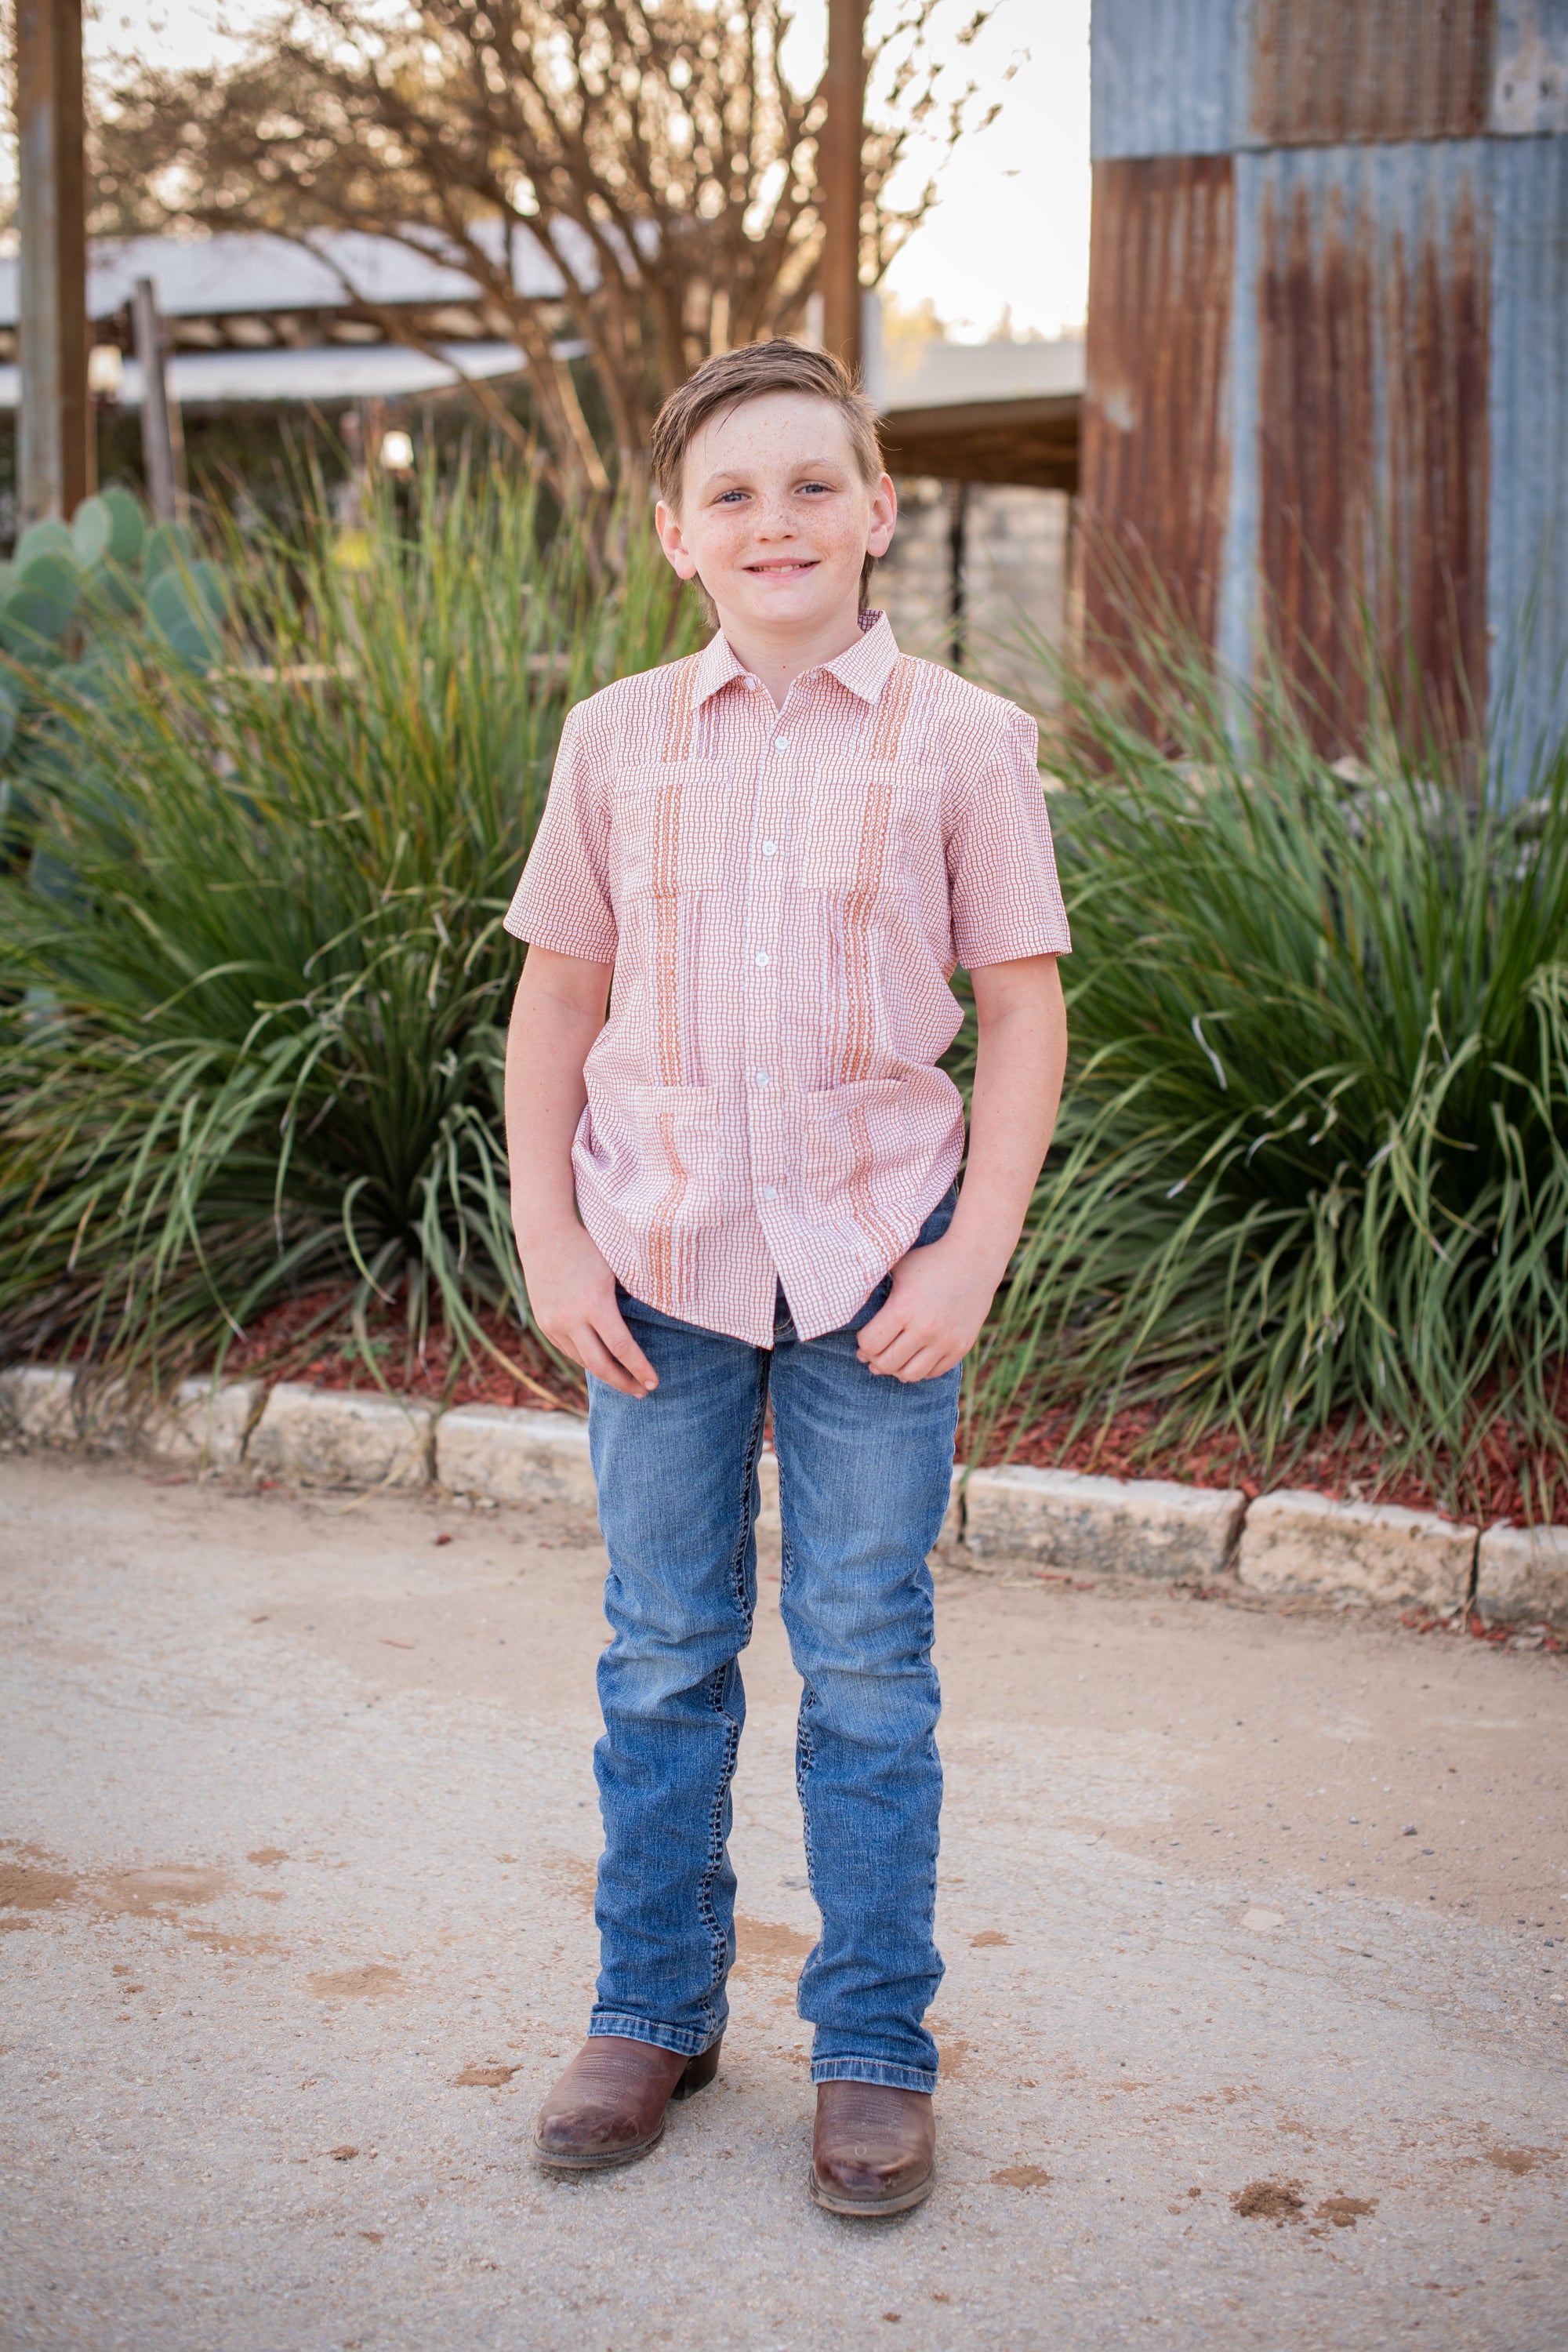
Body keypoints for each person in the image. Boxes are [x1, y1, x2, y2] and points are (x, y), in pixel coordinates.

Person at [503, 339, 1069, 2216]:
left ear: (878, 512)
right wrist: (549, 1230)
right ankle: (650, 2011)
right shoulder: (612, 740)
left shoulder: (967, 745)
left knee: (868, 1673)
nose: (776, 521)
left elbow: (1019, 1009)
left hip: (872, 1278)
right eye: (732, 495)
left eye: (812, 485)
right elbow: (559, 995)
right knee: (662, 1659)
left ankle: (873, 2050)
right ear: (676, 534)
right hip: (652, 1262)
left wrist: (970, 1256)